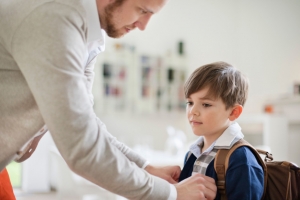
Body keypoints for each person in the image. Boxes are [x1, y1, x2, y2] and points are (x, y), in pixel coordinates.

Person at [0, 0, 217, 199]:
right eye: (142, 10)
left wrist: (146, 169)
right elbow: (82, 147)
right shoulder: (55, 18)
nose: (143, 25)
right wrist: (172, 194)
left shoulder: (90, 36)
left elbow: (87, 124)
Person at [178, 62, 264, 199]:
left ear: (234, 112)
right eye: (190, 102)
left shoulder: (241, 159)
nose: (193, 111)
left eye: (206, 104)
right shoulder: (192, 154)